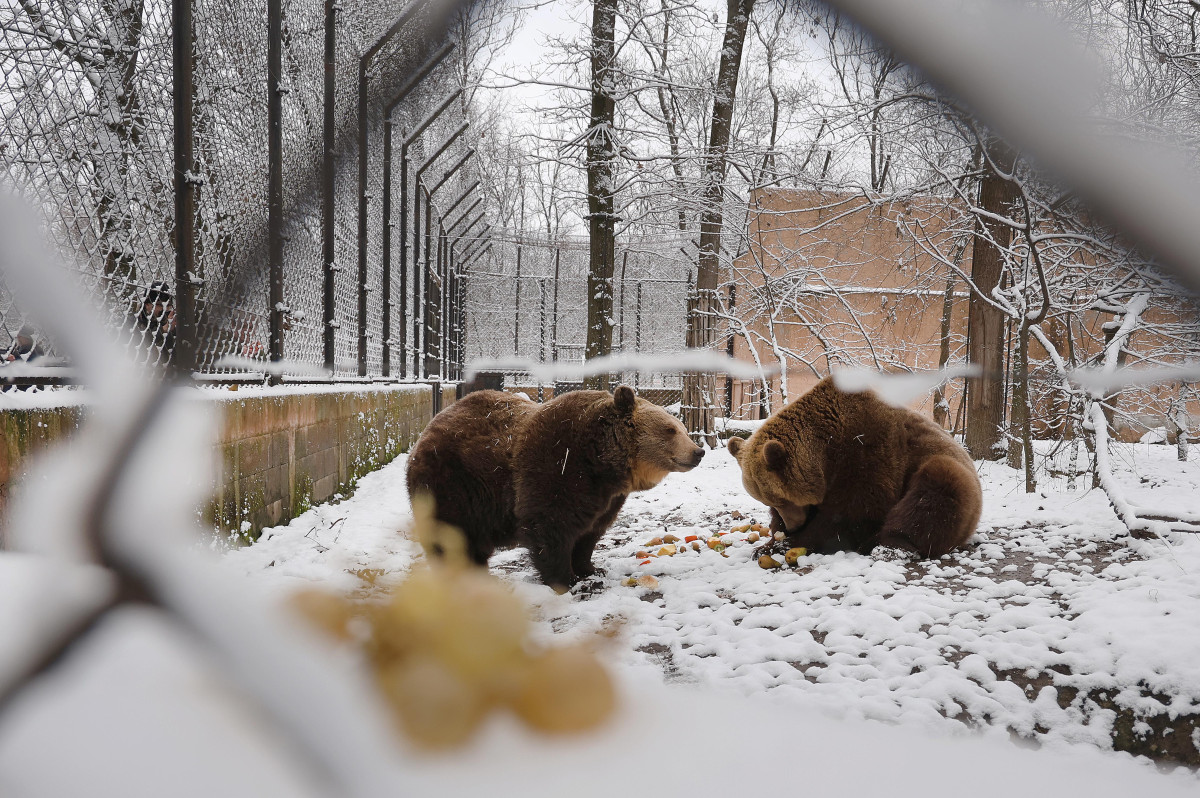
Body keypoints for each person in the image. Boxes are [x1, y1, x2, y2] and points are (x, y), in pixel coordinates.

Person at [128, 280, 177, 364]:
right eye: (160, 305)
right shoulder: (132, 323)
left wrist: (173, 330)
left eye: (168, 305)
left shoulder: (172, 322)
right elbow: (138, 347)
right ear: (147, 304)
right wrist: (163, 330)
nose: (164, 309)